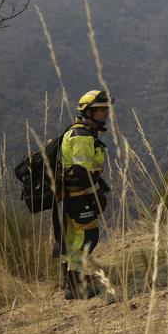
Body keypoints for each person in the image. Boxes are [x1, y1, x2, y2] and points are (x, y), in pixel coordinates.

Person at [58, 89, 112, 300]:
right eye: (100, 110)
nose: (105, 113)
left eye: (106, 109)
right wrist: (95, 194)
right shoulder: (82, 136)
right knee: (87, 237)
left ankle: (71, 279)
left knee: (74, 238)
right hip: (80, 196)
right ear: (88, 112)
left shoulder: (79, 131)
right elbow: (81, 172)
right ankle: (75, 286)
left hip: (73, 197)